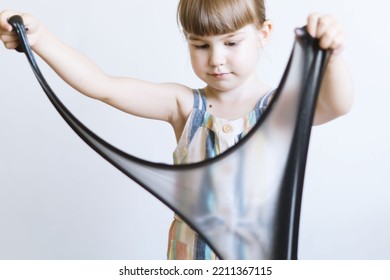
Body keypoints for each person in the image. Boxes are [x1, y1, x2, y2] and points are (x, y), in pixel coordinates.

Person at [0, 0, 353, 260]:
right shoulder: (184, 106)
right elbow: (101, 85)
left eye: (231, 42)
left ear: (264, 35)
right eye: (200, 44)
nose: (215, 59)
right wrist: (40, 38)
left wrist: (333, 55)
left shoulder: (280, 111)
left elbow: (337, 105)